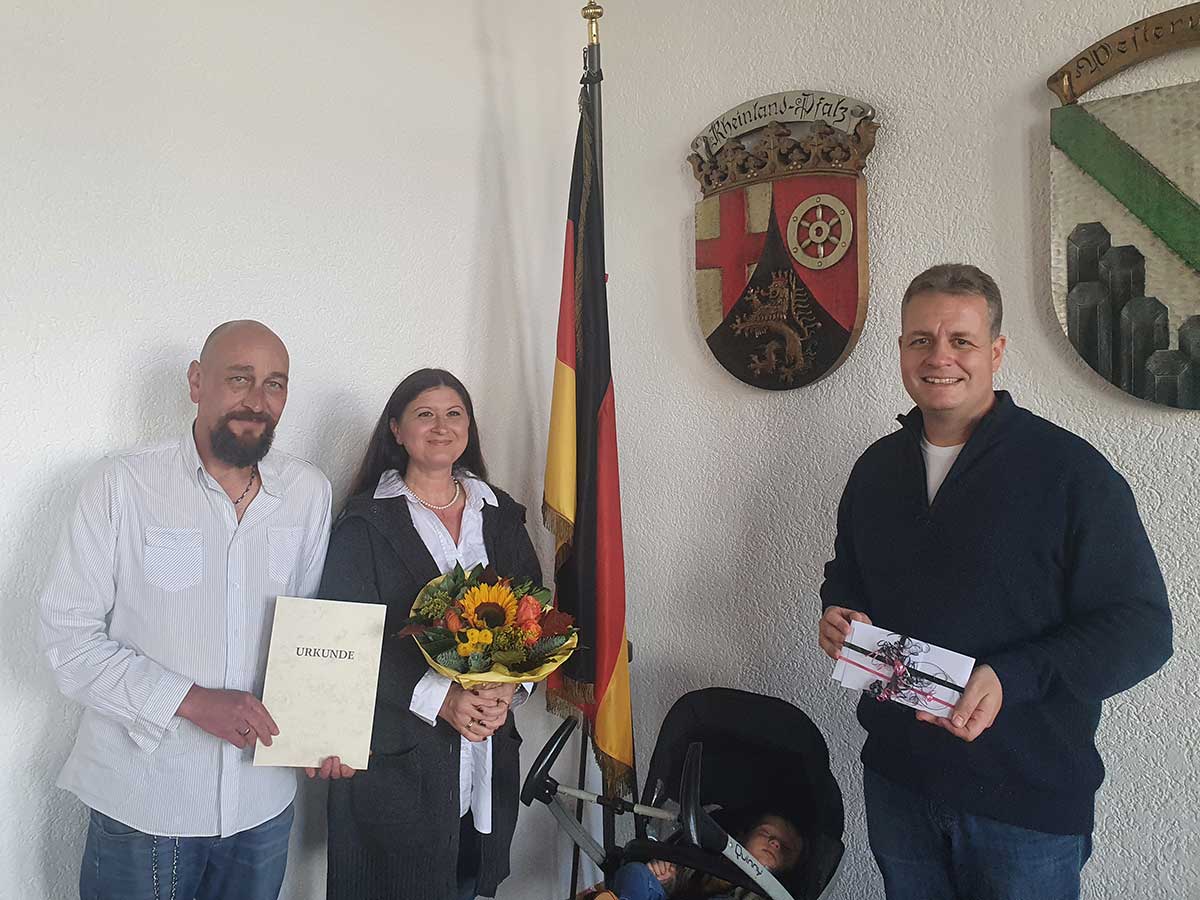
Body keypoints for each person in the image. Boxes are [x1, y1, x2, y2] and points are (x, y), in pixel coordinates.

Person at [817, 264, 1173, 900]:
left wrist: (1012, 677)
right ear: (901, 349)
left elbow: (1142, 629)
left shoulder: (1071, 473)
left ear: (997, 351)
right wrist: (840, 611)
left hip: (1024, 805)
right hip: (898, 785)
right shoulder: (874, 469)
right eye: (920, 340)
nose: (939, 358)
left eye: (961, 340)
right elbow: (848, 573)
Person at [38, 320, 333, 900]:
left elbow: (311, 631)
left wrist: (323, 726)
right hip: (145, 802)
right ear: (197, 382)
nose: (257, 400)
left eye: (274, 384)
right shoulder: (122, 484)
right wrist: (191, 701)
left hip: (262, 806)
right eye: (239, 378)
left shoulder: (308, 491)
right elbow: (66, 639)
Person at [319, 368, 541, 900]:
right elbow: (345, 640)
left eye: (454, 414)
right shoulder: (364, 523)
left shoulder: (501, 515)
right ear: (396, 430)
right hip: (396, 763)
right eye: (424, 414)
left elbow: (536, 617)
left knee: (467, 880)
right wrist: (440, 699)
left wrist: (512, 688)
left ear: (469, 428)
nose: (440, 426)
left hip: (486, 755)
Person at [600, 813, 804, 900]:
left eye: (786, 848)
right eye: (765, 833)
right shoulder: (707, 859)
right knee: (636, 872)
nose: (775, 844)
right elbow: (678, 883)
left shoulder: (774, 894)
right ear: (742, 838)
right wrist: (665, 878)